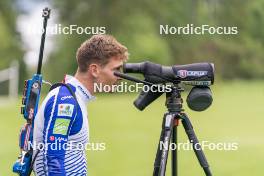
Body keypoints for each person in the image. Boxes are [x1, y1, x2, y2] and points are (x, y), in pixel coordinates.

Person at [33, 34, 128, 175]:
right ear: (94, 70)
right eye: (116, 70)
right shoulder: (65, 103)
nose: (120, 76)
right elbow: (53, 161)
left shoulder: (75, 97)